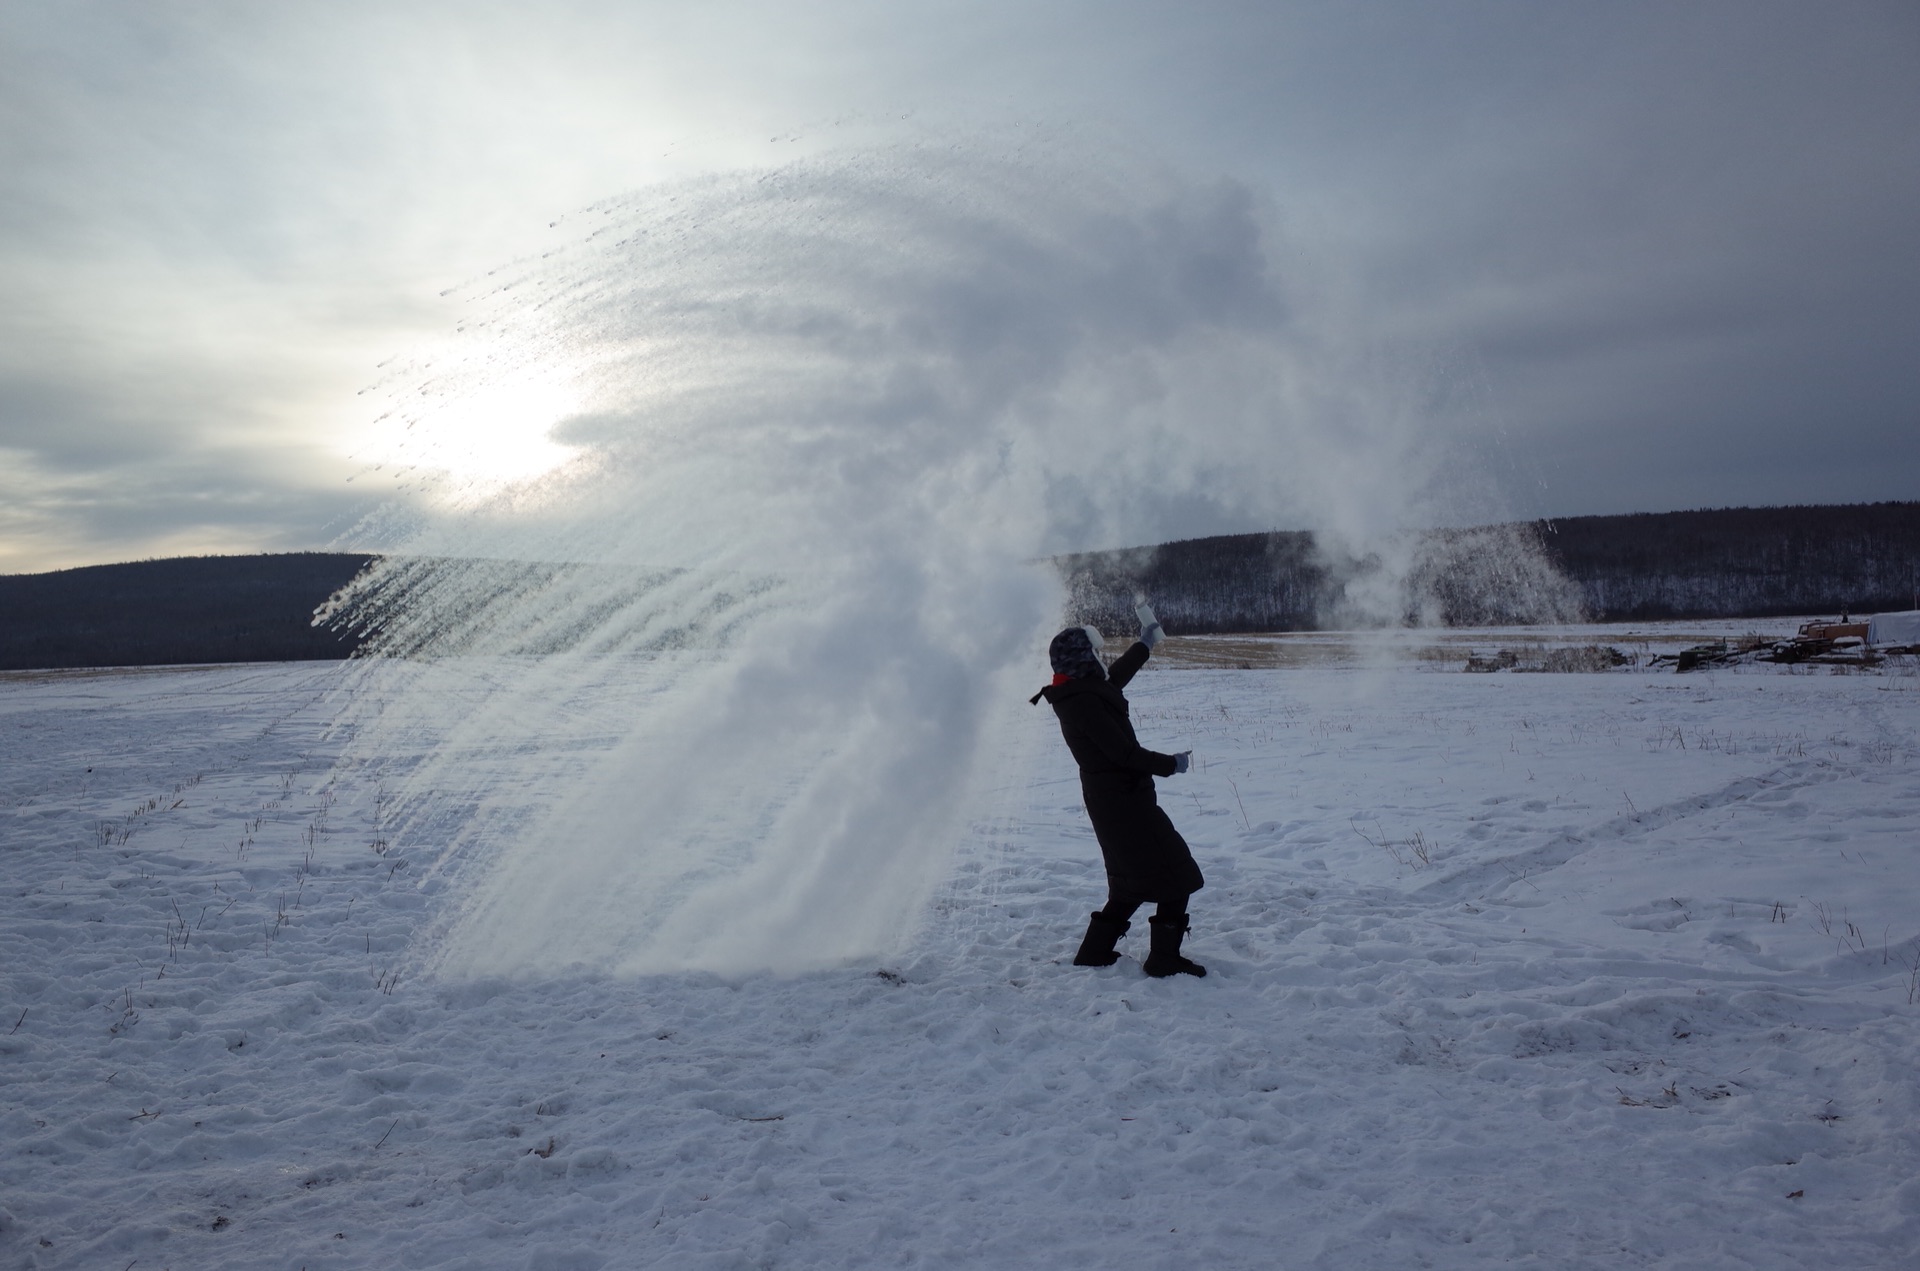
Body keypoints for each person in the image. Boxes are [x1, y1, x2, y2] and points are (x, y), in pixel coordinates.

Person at [1030, 603, 1205, 977]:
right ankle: (1164, 959)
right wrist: (1170, 764)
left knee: (1130, 882)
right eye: (1094, 651)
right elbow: (1123, 753)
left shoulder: (1080, 692)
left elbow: (1114, 679)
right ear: (1082, 659)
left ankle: (1095, 953)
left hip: (1116, 802)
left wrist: (1145, 644)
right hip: (1124, 805)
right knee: (1177, 875)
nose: (1100, 656)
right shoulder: (1082, 705)